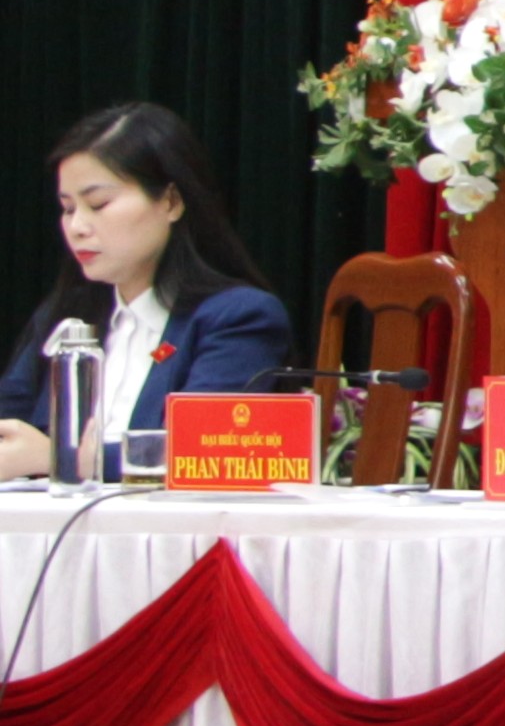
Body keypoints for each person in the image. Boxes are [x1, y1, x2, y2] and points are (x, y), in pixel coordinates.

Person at [0, 105, 294, 478]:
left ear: (171, 201)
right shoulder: (67, 314)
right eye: (68, 209)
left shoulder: (238, 318)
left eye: (98, 204)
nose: (77, 227)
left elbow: (201, 451)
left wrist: (64, 460)